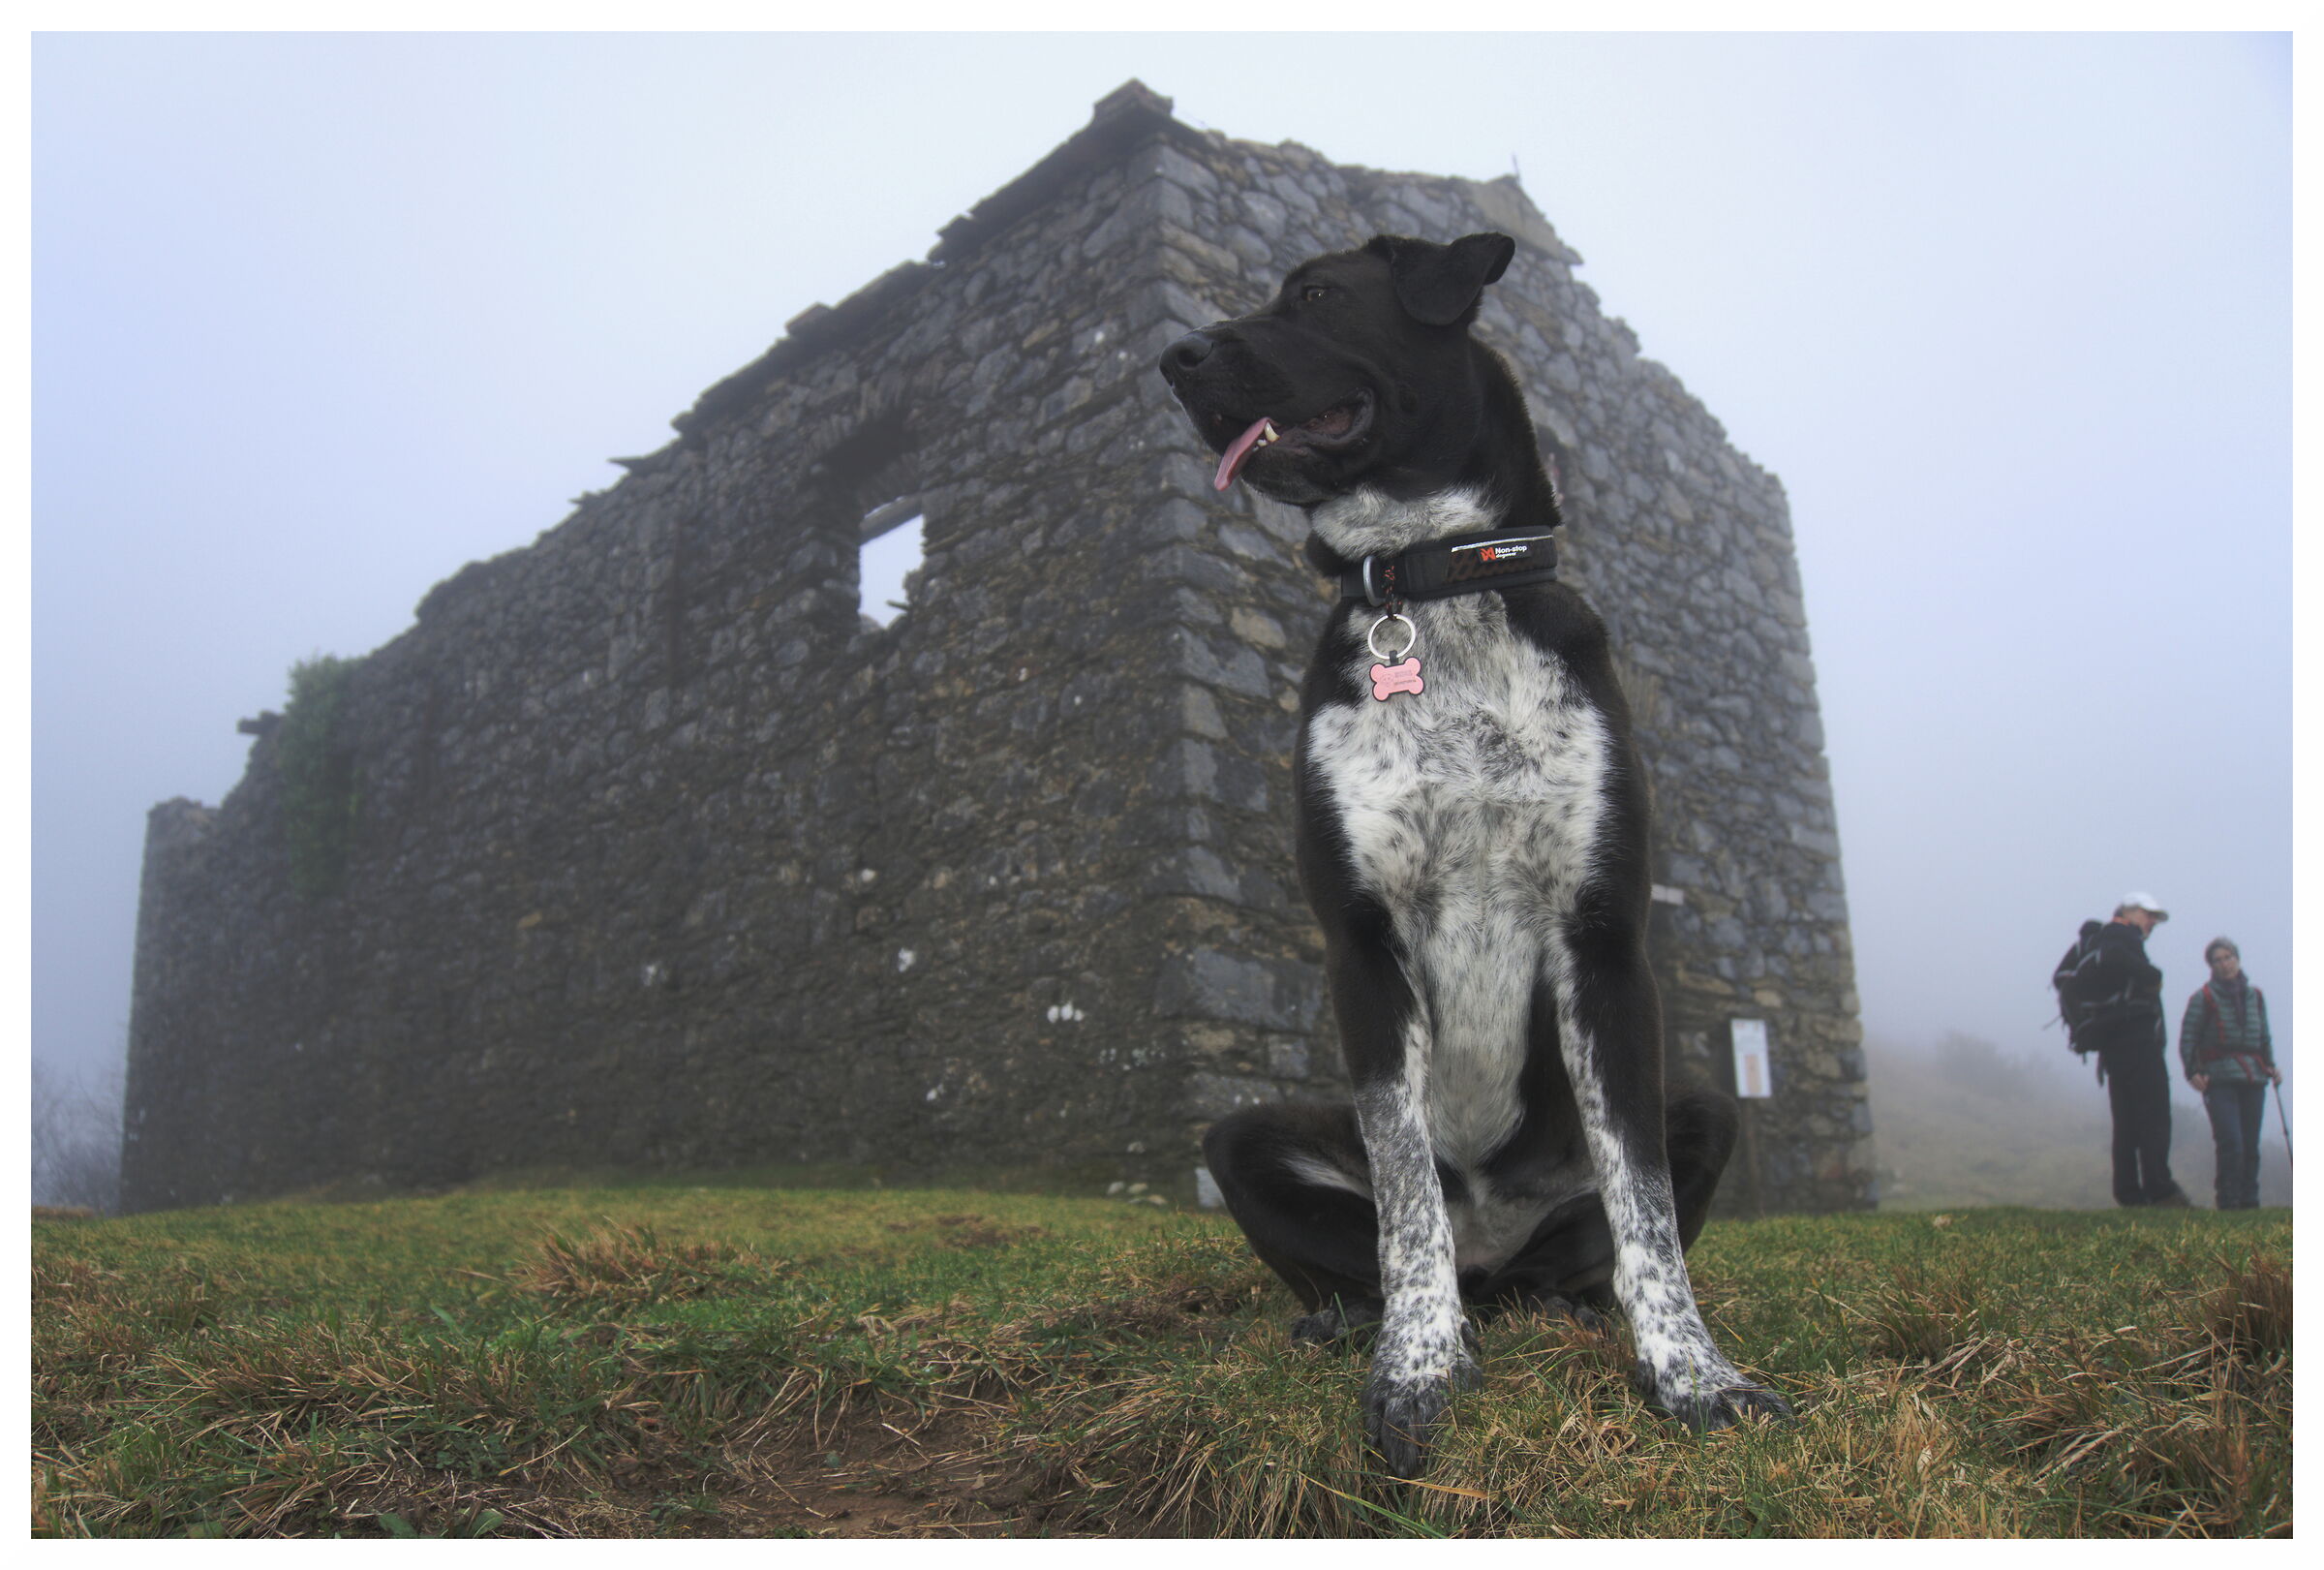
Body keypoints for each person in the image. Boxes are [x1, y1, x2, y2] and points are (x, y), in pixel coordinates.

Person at [2080, 894, 2191, 1208]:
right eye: (2148, 914)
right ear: (2128, 912)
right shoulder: (2120, 937)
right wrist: (2153, 976)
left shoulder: (2100, 941)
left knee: (2126, 1122)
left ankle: (2129, 1192)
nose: (2152, 922)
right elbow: (2130, 966)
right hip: (2137, 1043)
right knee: (2154, 1118)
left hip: (2113, 1046)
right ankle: (2161, 1190)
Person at [2180, 937, 2280, 1211]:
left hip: (2254, 1077)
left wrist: (2271, 1066)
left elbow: (2264, 1037)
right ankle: (2228, 1200)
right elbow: (2189, 1038)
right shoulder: (2203, 998)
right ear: (2211, 966)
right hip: (2219, 1078)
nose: (2225, 964)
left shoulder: (2255, 996)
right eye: (2218, 960)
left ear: (2237, 958)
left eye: (2228, 957)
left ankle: (2249, 1201)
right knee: (2231, 1142)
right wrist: (2193, 1071)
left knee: (2250, 1144)